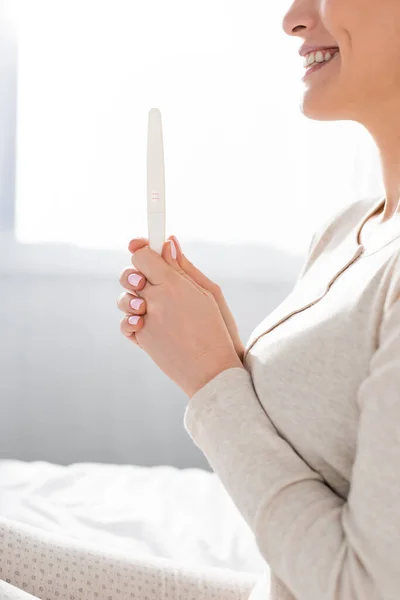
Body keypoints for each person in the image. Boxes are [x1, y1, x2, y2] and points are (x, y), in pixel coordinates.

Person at [3, 1, 400, 599]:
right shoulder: (349, 228)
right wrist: (226, 356)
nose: (292, 17)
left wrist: (211, 379)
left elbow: (365, 590)